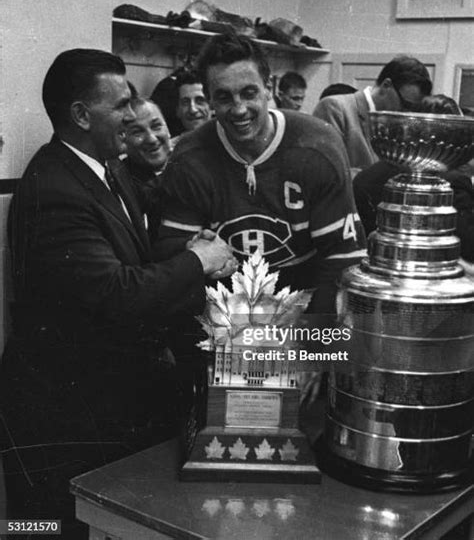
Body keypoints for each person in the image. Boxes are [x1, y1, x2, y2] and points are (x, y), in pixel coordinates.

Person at [1, 48, 236, 538]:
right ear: (81, 115)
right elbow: (115, 293)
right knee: (44, 530)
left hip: (105, 402)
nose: (134, 117)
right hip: (57, 417)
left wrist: (185, 254)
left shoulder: (111, 171)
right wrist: (198, 261)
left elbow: (132, 263)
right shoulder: (53, 188)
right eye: (122, 106)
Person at [156, 33, 366, 319]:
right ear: (210, 101)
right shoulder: (189, 159)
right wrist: (193, 251)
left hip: (306, 305)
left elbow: (342, 257)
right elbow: (170, 253)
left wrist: (313, 335)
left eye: (249, 92)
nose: (239, 108)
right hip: (224, 316)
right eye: (224, 97)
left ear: (269, 88)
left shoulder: (318, 146)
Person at [353, 94, 474, 262]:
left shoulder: (365, 178)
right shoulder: (453, 182)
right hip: (431, 275)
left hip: (374, 267)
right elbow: (469, 247)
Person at [313, 56, 433, 174]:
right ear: (386, 85)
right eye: (405, 104)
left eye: (414, 108)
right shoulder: (334, 108)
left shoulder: (397, 122)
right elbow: (325, 172)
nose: (407, 113)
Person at [124, 96, 170, 240]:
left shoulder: (189, 165)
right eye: (137, 132)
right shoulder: (123, 185)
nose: (151, 138)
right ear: (123, 139)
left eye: (156, 126)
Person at [174, 68, 212, 134]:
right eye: (185, 102)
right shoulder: (173, 144)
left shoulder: (231, 142)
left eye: (200, 101)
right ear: (177, 110)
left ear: (212, 105)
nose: (193, 110)